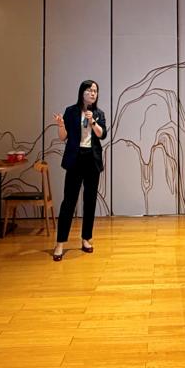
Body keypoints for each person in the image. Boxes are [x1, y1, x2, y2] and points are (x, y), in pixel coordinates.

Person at [51, 79, 107, 261]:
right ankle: (60, 243)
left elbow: (102, 135)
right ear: (82, 93)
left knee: (89, 201)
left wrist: (92, 122)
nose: (93, 93)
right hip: (75, 159)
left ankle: (86, 239)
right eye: (89, 90)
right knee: (69, 201)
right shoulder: (71, 111)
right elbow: (63, 137)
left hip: (92, 160)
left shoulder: (98, 113)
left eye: (95, 91)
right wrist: (61, 125)